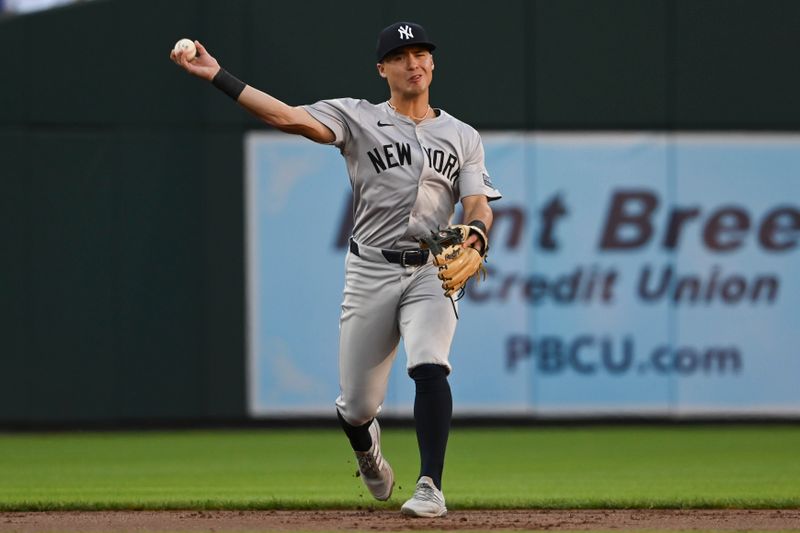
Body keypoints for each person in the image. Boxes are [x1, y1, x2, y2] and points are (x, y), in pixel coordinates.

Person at [171, 21, 501, 517]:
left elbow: (477, 202)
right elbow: (288, 118)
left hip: (432, 269)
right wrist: (219, 75)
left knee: (430, 362)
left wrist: (476, 233)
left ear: (433, 63)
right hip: (370, 272)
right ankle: (368, 451)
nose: (414, 63)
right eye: (401, 55)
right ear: (382, 68)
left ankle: (430, 484)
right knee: (358, 407)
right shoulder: (357, 117)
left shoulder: (462, 135)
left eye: (422, 54)